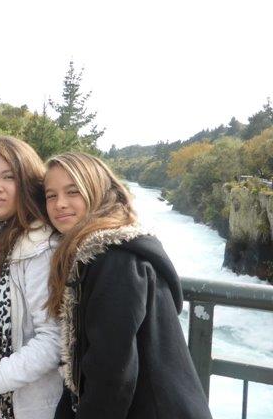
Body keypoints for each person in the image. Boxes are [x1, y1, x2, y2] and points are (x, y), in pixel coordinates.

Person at [44, 152, 213, 419]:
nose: (60, 204)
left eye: (73, 191)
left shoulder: (115, 260)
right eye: (51, 195)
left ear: (97, 191)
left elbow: (111, 376)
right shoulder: (95, 254)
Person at [0, 136, 63, 419]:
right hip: (5, 399)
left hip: (35, 404)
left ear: (28, 183)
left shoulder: (41, 247)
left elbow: (52, 341)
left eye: (9, 177)